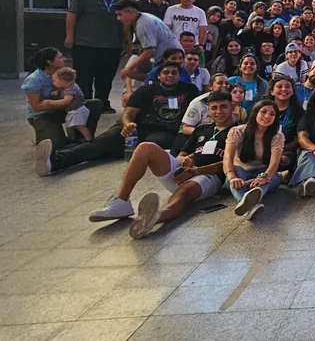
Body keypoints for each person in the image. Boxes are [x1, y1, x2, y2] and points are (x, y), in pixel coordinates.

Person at [87, 90, 235, 238]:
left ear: (232, 107)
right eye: (214, 108)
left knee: (183, 193)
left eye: (223, 107)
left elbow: (231, 163)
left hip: (208, 177)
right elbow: (182, 153)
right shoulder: (202, 129)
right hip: (182, 172)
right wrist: (183, 160)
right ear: (208, 110)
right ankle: (121, 200)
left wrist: (195, 171)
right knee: (146, 147)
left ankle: (155, 217)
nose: (218, 111)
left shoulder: (238, 131)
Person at [35, 61, 198, 176]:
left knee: (108, 149)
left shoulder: (189, 90)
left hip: (165, 134)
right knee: (99, 145)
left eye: (174, 73)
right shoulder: (146, 90)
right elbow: (128, 113)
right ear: (159, 75)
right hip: (134, 130)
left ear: (179, 75)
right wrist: (127, 126)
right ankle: (54, 161)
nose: (170, 76)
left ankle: (59, 158)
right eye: (166, 72)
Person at [66, 0, 125, 113]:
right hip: (85, 44)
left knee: (105, 78)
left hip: (111, 46)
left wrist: (125, 43)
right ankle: (85, 103)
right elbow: (72, 14)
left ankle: (102, 103)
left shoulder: (121, 0)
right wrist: (69, 36)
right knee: (84, 76)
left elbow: (125, 24)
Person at [23, 48, 104, 148]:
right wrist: (64, 102)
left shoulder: (63, 72)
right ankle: (44, 134)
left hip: (65, 108)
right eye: (60, 58)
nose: (64, 59)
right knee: (57, 145)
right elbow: (36, 106)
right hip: (41, 115)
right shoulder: (33, 80)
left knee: (94, 104)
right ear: (50, 62)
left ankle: (81, 137)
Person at [223, 100, 284, 220]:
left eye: (272, 114)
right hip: (240, 171)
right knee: (237, 178)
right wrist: (232, 177)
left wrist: (264, 177)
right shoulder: (237, 131)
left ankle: (253, 195)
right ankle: (247, 205)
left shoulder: (277, 136)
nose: (267, 116)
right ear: (255, 112)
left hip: (262, 172)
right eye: (264, 112)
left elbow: (274, 162)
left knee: (273, 178)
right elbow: (227, 158)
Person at [113, 0, 182, 81]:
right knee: (134, 66)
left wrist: (128, 68)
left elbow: (150, 51)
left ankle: (152, 82)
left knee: (129, 71)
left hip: (169, 57)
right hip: (169, 53)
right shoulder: (145, 16)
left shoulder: (142, 25)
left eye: (120, 14)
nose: (118, 18)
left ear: (130, 11)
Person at [50, 67, 92, 142]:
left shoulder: (70, 89)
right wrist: (58, 91)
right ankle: (72, 139)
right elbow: (62, 89)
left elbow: (67, 101)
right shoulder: (66, 86)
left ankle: (89, 140)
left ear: (62, 81)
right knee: (69, 126)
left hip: (78, 110)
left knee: (80, 127)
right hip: (72, 110)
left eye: (54, 81)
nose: (52, 82)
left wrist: (50, 103)